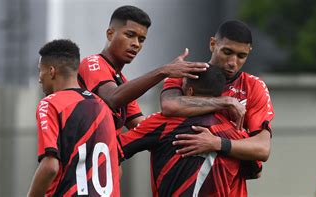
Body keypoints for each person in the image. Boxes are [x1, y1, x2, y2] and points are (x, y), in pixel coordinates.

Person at [160, 20, 274, 178]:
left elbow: (262, 149)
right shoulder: (186, 74)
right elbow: (169, 106)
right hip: (182, 180)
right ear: (213, 44)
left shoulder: (253, 86)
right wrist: (224, 102)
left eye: (241, 56)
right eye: (227, 52)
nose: (233, 63)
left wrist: (217, 143)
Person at [118, 65, 250, 196]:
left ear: (189, 92)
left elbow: (116, 149)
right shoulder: (236, 133)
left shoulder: (162, 122)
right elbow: (255, 170)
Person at [77, 5, 209, 133]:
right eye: (129, 35)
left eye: (141, 40)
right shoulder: (93, 63)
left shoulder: (123, 84)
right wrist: (164, 71)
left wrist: (187, 128)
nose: (136, 44)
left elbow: (141, 126)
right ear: (110, 34)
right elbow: (112, 98)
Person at [28, 39, 120, 197]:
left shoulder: (51, 104)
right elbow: (117, 169)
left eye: (40, 71)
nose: (39, 78)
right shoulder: (102, 106)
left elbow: (50, 167)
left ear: (51, 71)